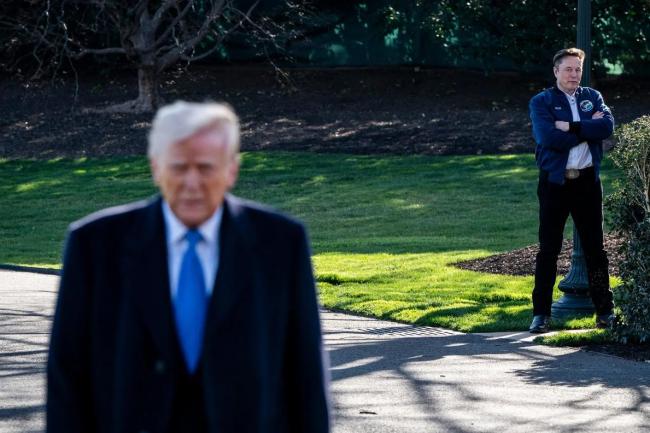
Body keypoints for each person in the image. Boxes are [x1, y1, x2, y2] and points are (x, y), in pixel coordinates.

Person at [47, 101, 330, 433]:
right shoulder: (94, 245)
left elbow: (306, 374)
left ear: (231, 170)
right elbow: (67, 376)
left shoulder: (281, 244)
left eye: (206, 168)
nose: (192, 183)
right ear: (156, 168)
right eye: (179, 167)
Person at [528, 47, 615, 333]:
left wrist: (571, 127)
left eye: (578, 69)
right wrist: (587, 129)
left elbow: (607, 127)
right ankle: (541, 314)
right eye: (568, 69)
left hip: (588, 183)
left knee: (596, 250)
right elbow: (548, 137)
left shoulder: (592, 97)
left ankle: (605, 312)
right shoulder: (541, 101)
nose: (574, 74)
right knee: (548, 249)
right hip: (555, 183)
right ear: (556, 71)